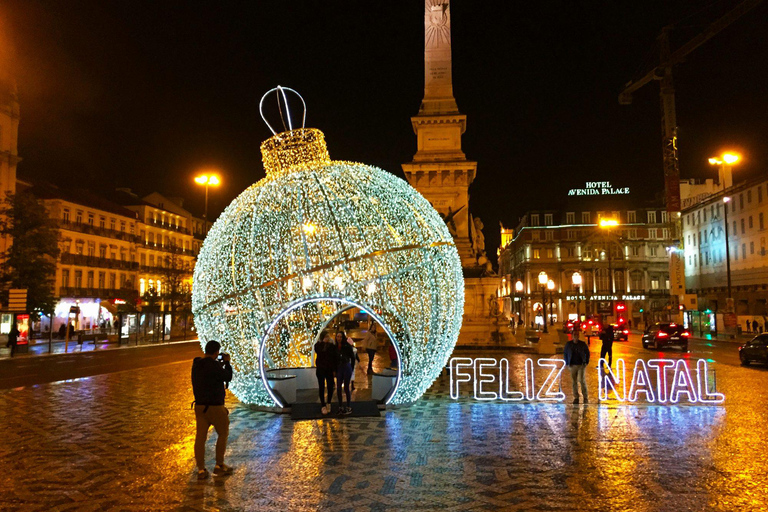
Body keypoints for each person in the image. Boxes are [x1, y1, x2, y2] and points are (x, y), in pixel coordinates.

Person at [191, 340, 233, 480]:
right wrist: (227, 363)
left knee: (200, 438)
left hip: (200, 407)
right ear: (216, 352)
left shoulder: (196, 365)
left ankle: (201, 469)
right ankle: (219, 465)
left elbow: (209, 372)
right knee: (223, 433)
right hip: (215, 406)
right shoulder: (214, 366)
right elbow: (227, 376)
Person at [563, 329, 590, 404]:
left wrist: (586, 361)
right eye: (574, 335)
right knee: (574, 381)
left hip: (581, 365)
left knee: (581, 380)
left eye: (577, 335)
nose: (575, 336)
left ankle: (585, 397)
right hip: (572, 365)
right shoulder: (568, 344)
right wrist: (567, 363)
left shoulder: (582, 344)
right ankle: (576, 397)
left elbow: (587, 353)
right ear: (572, 336)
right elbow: (565, 353)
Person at [315, 332, 338, 415]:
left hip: (329, 369)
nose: (327, 338)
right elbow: (319, 352)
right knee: (321, 387)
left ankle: (329, 402)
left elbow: (334, 357)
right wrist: (323, 343)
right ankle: (323, 405)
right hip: (321, 369)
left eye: (328, 336)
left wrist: (334, 370)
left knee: (330, 386)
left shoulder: (332, 346)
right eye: (325, 337)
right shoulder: (318, 345)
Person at [335, 331, 355, 415]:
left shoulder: (347, 346)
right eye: (338, 337)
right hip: (339, 368)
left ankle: (348, 406)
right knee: (338, 387)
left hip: (346, 367)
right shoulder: (335, 347)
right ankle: (340, 406)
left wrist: (351, 367)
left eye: (340, 337)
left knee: (346, 387)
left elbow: (352, 357)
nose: (339, 338)